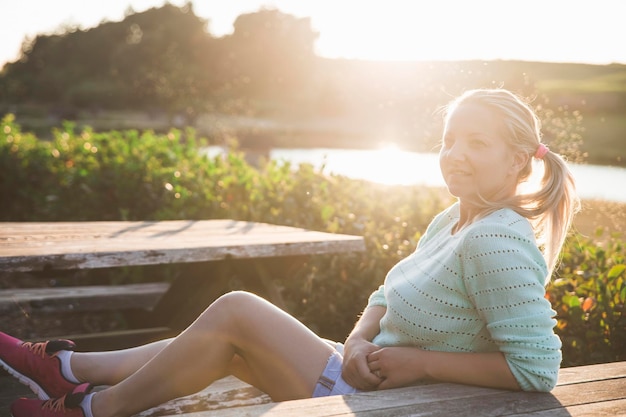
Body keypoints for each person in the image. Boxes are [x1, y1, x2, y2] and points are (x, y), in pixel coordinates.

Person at [0, 88, 580, 417]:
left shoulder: (495, 239)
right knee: (218, 344)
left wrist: (420, 364)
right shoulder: (455, 218)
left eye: (476, 143)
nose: (454, 153)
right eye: (449, 138)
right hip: (369, 378)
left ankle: (85, 408)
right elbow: (384, 293)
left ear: (518, 161)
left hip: (400, 406)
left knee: (236, 310)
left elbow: (535, 369)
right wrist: (356, 340)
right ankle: (69, 372)